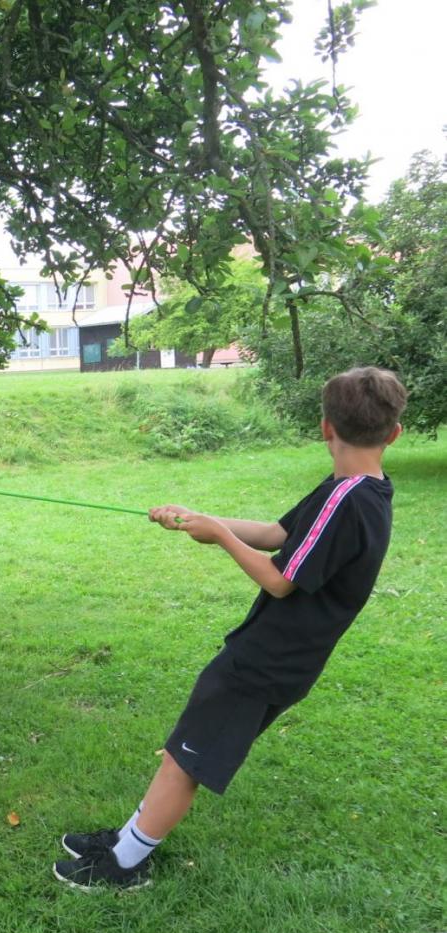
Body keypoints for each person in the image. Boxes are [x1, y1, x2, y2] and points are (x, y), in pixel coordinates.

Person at [53, 366, 407, 890]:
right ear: (394, 432)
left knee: (188, 756)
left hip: (270, 659)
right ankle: (130, 837)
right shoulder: (358, 489)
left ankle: (124, 865)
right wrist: (197, 517)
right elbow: (276, 534)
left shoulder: (346, 500)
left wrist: (218, 535)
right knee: (187, 748)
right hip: (281, 654)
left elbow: (281, 580)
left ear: (325, 426)